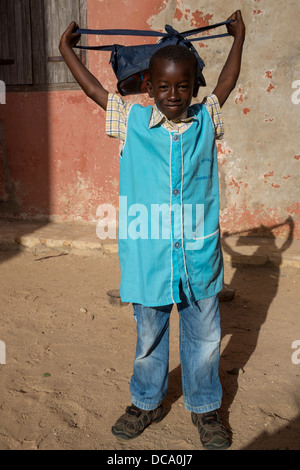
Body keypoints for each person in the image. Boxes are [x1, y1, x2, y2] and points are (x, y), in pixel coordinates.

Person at [59, 10, 245, 450]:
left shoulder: (205, 121)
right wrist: (66, 50)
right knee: (149, 336)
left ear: (194, 87)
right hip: (149, 260)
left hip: (198, 258)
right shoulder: (131, 124)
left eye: (183, 85)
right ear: (149, 87)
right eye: (163, 86)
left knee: (203, 339)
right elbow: (94, 91)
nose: (174, 93)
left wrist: (239, 38)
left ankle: (205, 408)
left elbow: (227, 83)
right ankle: (146, 401)